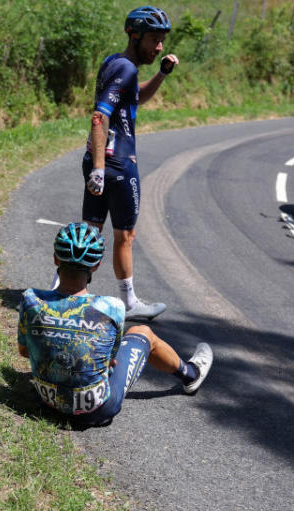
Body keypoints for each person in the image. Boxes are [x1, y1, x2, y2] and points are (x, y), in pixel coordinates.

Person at [17, 223, 212, 427]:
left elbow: (24, 352)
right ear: (97, 265)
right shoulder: (112, 307)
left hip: (44, 403)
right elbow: (110, 362)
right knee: (142, 332)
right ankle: (191, 375)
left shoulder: (30, 299)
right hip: (97, 410)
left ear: (55, 258)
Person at [81, 5, 178, 321]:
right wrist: (99, 167)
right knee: (125, 237)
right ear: (133, 35)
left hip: (99, 160)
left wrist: (161, 74)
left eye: (161, 40)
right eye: (153, 39)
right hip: (119, 164)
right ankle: (130, 303)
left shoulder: (115, 63)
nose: (159, 46)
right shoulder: (127, 69)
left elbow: (135, 97)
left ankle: (67, 292)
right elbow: (100, 115)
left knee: (90, 233)